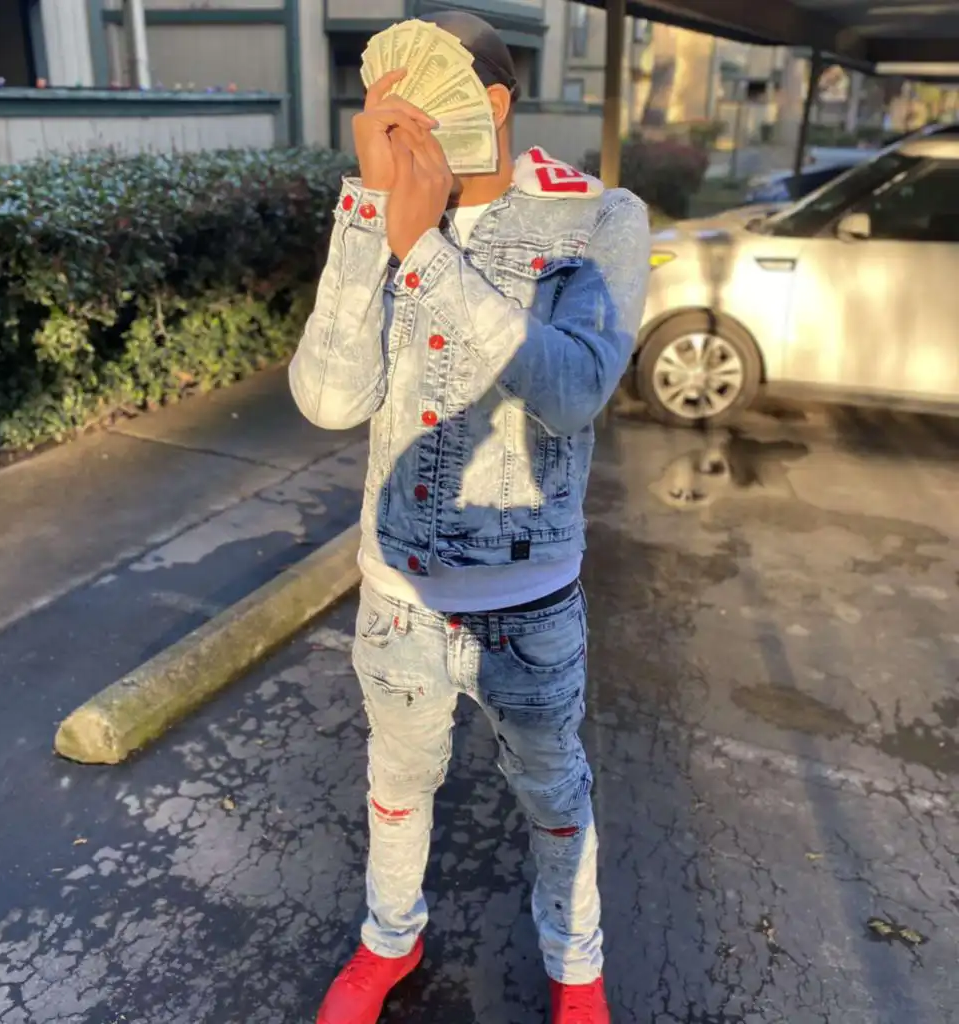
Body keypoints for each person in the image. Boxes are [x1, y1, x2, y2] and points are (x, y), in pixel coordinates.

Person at [290, 11, 650, 1024]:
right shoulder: (387, 215)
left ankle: (576, 967)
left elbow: (574, 390)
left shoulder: (598, 219)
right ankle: (387, 941)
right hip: (396, 597)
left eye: (422, 114)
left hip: (529, 603)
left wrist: (429, 255)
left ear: (489, 104)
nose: (406, 137)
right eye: (387, 119)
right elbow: (328, 400)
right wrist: (370, 216)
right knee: (396, 786)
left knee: (553, 795)